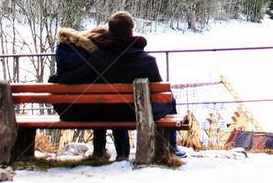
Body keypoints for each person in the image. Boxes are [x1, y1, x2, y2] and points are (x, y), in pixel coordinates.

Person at [50, 11, 185, 160]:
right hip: (139, 113)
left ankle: (121, 154)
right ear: (131, 31)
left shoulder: (98, 59)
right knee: (169, 98)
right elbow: (159, 95)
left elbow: (75, 77)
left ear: (111, 32)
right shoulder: (148, 61)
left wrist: (56, 78)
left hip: (110, 112)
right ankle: (171, 148)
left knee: (116, 105)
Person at [50, 26, 111, 158]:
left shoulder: (65, 50)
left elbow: (66, 77)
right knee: (100, 106)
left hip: (64, 110)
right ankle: (99, 151)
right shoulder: (94, 58)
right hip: (89, 112)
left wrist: (56, 79)